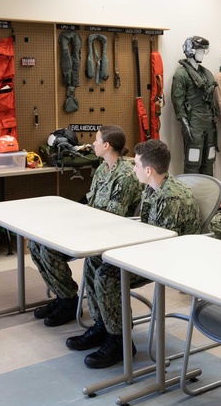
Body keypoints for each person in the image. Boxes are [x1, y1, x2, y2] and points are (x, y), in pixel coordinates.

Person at [68, 139, 200, 368]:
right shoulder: (153, 186)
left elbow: (165, 244)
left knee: (106, 276)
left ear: (148, 170)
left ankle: (120, 342)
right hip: (153, 249)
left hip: (172, 259)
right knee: (93, 261)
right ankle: (104, 327)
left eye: (136, 165)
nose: (133, 169)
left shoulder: (170, 198)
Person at [30, 125, 141, 327]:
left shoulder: (125, 175)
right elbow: (91, 205)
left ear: (106, 145)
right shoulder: (101, 169)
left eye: (96, 140)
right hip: (90, 229)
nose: (92, 144)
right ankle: (65, 298)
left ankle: (69, 302)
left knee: (48, 250)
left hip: (109, 235)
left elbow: (113, 218)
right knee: (35, 245)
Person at [172, 35, 220, 174]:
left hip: (209, 121)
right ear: (190, 51)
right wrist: (184, 123)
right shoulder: (181, 74)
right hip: (194, 121)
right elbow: (177, 101)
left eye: (203, 51)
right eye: (199, 51)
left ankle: (208, 192)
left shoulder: (206, 73)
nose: (202, 54)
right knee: (193, 159)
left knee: (209, 159)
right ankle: (191, 193)